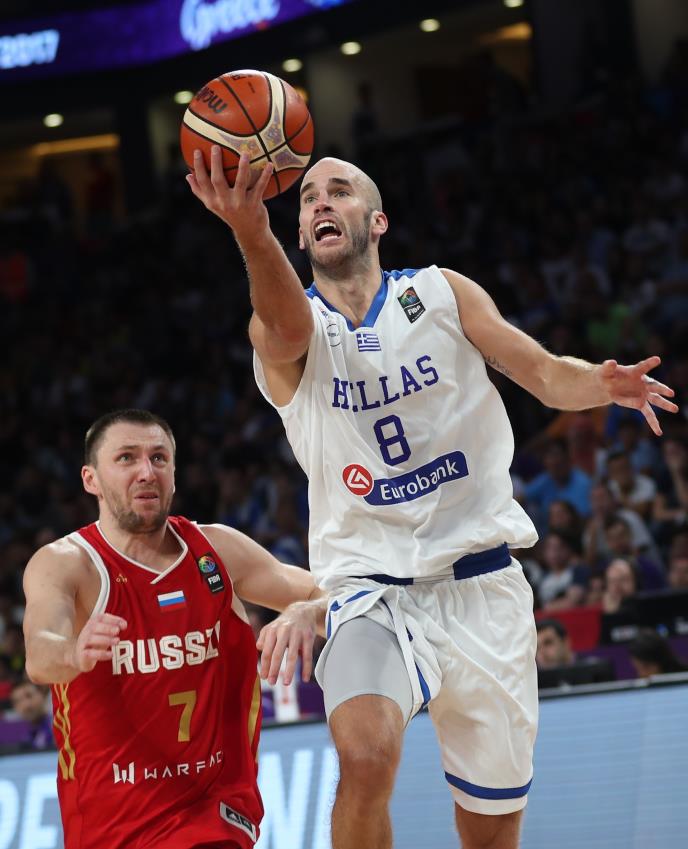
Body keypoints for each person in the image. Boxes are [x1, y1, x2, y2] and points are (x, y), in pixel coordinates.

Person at [187, 149, 678, 849]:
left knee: (491, 833)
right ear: (297, 232)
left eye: (340, 191)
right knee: (365, 757)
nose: (321, 201)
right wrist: (250, 229)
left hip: (482, 588)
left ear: (377, 220)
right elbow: (287, 330)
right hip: (371, 590)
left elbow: (541, 373)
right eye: (309, 197)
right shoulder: (287, 326)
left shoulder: (442, 293)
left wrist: (600, 383)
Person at [22, 408, 326, 849]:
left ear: (174, 474)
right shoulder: (66, 563)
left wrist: (302, 612)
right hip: (110, 824)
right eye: (126, 458)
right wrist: (72, 652)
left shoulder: (216, 550)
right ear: (91, 479)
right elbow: (39, 652)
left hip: (213, 812)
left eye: (159, 458)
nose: (147, 472)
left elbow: (329, 593)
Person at [8, 679, 54, 750]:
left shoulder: (62, 726)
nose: (26, 705)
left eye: (29, 696)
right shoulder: (25, 740)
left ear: (42, 694)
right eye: (18, 701)